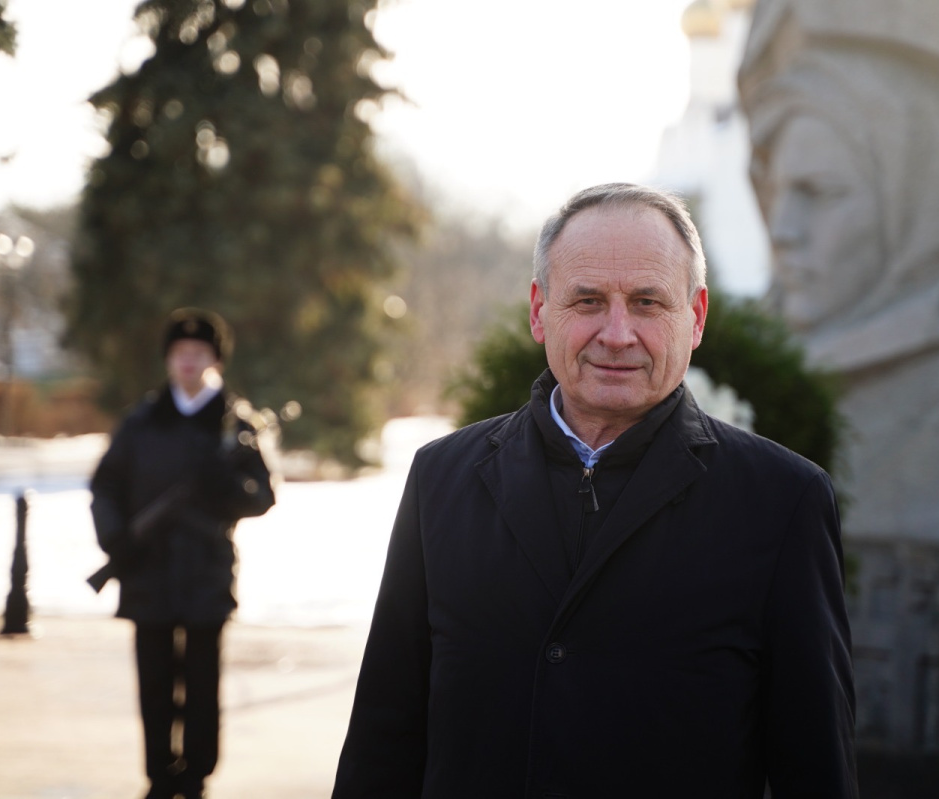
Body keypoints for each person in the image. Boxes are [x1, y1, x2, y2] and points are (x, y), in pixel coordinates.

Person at [332, 184, 857, 798]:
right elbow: (384, 737)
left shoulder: (782, 501)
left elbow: (815, 766)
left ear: (695, 317)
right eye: (587, 300)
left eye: (647, 302)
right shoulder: (441, 479)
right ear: (539, 311)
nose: (617, 332)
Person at [90, 308, 276, 799]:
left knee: (201, 682)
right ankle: (158, 774)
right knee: (153, 681)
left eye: (199, 352)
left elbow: (262, 496)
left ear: (216, 360)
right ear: (168, 359)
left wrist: (227, 486)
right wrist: (115, 538)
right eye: (180, 352)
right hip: (146, 569)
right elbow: (105, 485)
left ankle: (196, 777)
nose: (188, 361)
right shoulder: (142, 422)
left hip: (205, 573)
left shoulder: (235, 425)